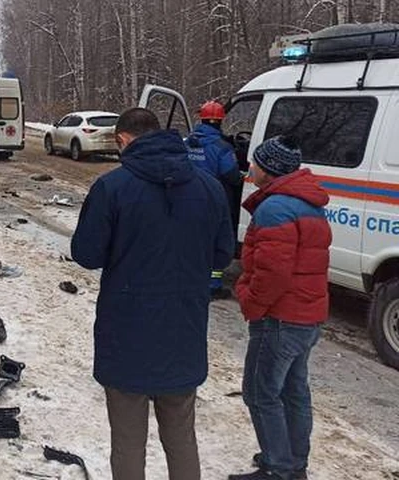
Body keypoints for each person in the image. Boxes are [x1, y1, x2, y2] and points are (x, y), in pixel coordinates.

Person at [71, 107, 234, 480]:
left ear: (123, 139)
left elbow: (86, 254)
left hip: (125, 335)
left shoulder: (112, 187)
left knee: (128, 442)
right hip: (184, 331)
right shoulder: (208, 186)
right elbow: (223, 254)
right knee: (181, 438)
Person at [228, 136, 331, 480]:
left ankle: (278, 467)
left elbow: (271, 274)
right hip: (306, 317)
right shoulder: (308, 204)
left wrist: (249, 300)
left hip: (280, 318)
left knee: (259, 391)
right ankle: (293, 461)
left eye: (255, 163)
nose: (250, 168)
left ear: (269, 170)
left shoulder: (274, 209)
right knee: (293, 390)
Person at [185, 100, 243, 298]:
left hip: (189, 197)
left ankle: (190, 275)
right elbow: (231, 175)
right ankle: (213, 284)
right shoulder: (222, 147)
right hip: (215, 199)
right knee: (215, 241)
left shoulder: (188, 142)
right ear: (220, 121)